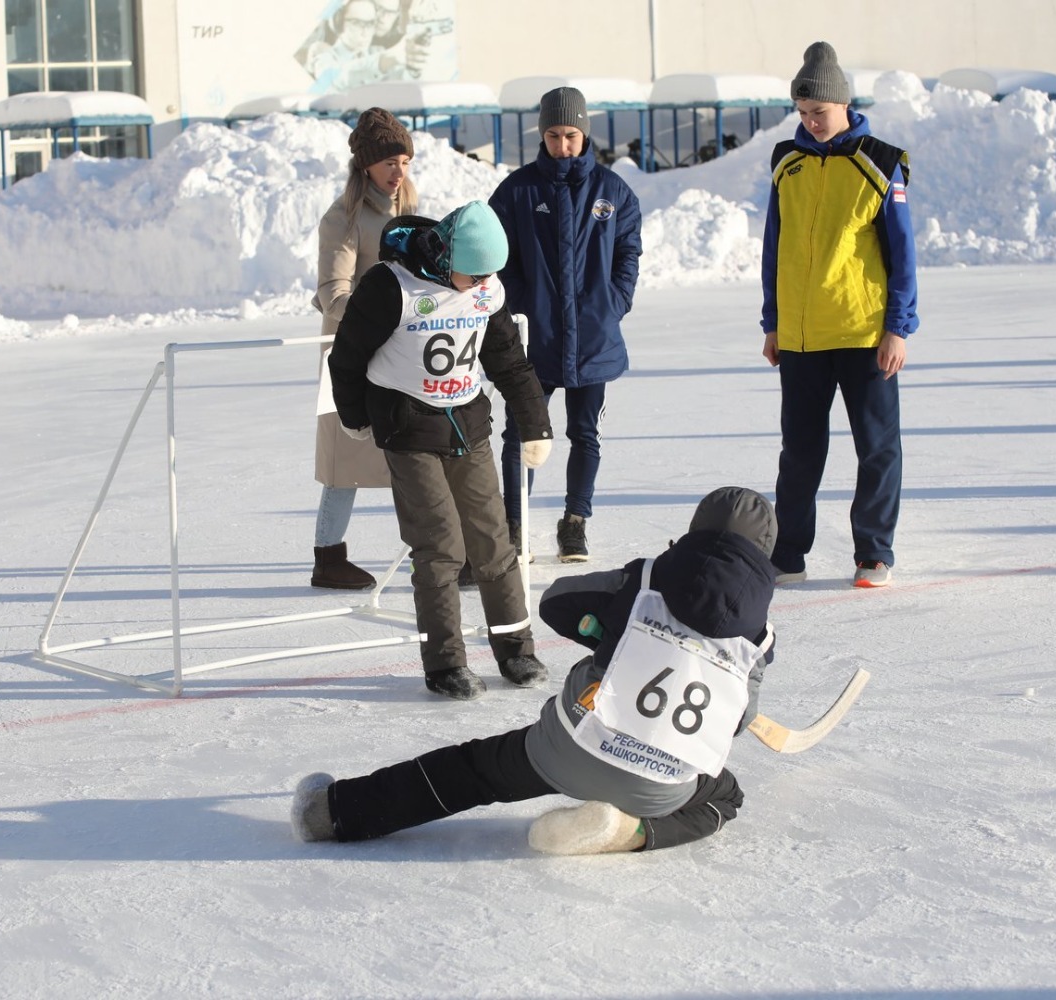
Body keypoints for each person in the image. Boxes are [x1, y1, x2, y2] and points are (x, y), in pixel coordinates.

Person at [289, 487, 777, 854]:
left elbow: (558, 602)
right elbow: (735, 719)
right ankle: (632, 832)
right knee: (726, 796)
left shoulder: (646, 578)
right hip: (661, 783)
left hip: (573, 742)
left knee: (471, 771)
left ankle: (332, 813)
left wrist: (607, 633)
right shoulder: (760, 640)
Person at [327, 201, 555, 701]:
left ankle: (516, 649)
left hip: (467, 425)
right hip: (408, 430)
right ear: (445, 256)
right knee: (441, 546)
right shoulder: (392, 286)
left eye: (487, 275)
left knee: (494, 541)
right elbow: (346, 356)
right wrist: (356, 417)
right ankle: (445, 662)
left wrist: (536, 423)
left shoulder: (485, 288)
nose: (480, 284)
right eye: (472, 274)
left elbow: (508, 362)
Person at [760, 42, 918, 589]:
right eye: (802, 113)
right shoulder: (787, 162)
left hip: (862, 333)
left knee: (876, 447)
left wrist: (898, 326)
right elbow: (773, 248)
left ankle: (873, 552)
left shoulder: (880, 161)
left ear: (843, 104)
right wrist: (773, 321)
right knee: (799, 452)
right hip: (802, 337)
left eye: (819, 113)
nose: (810, 122)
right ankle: (788, 554)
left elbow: (903, 254)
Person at [489, 86, 643, 564]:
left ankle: (575, 522)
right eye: (553, 135)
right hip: (535, 341)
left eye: (571, 135)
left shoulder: (613, 192)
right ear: (542, 134)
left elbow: (627, 252)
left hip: (593, 338)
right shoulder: (518, 191)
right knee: (522, 435)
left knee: (584, 433)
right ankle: (515, 526)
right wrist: (518, 305)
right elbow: (496, 256)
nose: (563, 145)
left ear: (585, 134)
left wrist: (614, 302)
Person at [308, 108, 418, 590]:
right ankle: (329, 559)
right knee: (345, 461)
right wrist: (379, 315)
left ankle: (430, 552)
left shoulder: (408, 208)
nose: (400, 173)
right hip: (353, 352)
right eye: (391, 163)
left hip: (403, 349)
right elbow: (334, 292)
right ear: (367, 166)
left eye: (406, 162)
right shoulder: (344, 218)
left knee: (415, 450)